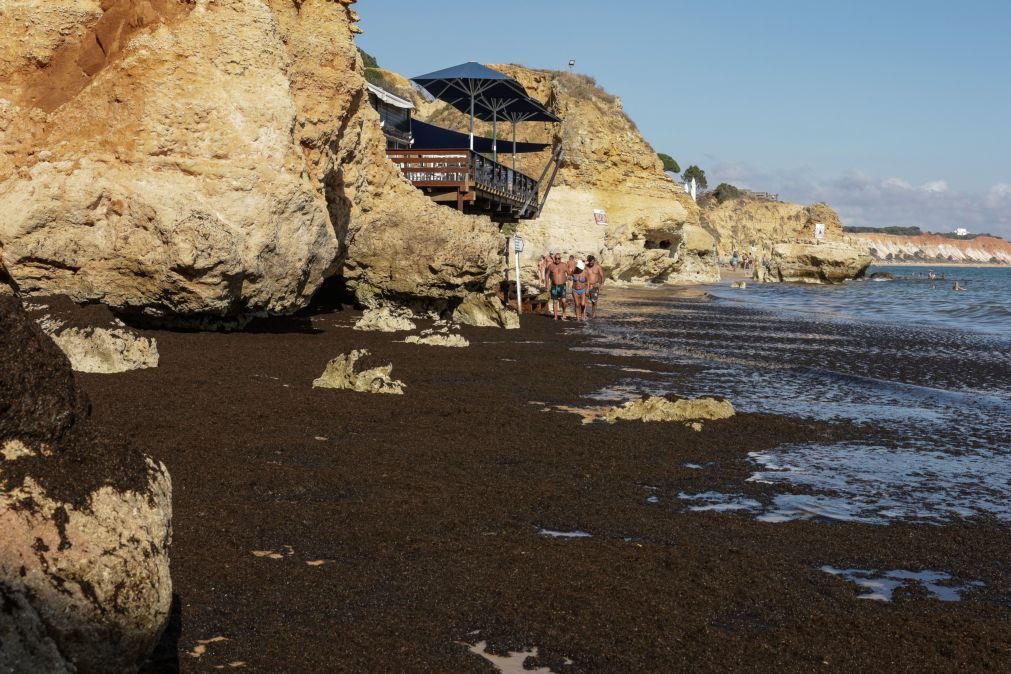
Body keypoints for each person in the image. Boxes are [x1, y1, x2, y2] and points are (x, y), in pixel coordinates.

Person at [546, 252, 569, 320]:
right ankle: (555, 316)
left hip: (562, 285)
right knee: (555, 301)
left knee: (564, 301)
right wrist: (547, 284)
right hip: (554, 286)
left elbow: (569, 273)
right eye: (556, 258)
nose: (557, 260)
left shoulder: (564, 265)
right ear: (554, 259)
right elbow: (547, 274)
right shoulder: (551, 266)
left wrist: (569, 277)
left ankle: (564, 312)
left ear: (560, 259)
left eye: (558, 258)